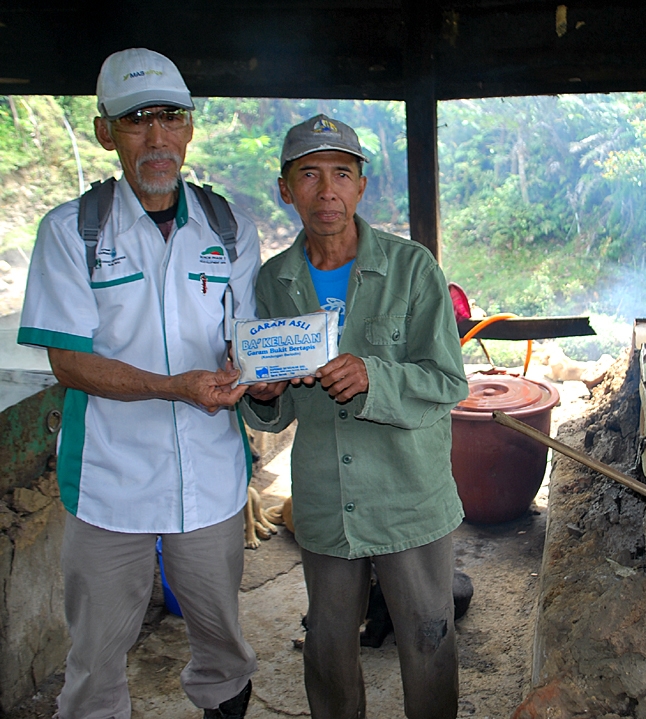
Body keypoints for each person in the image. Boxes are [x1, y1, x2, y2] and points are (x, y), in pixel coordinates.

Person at [17, 48, 260, 719]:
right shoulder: (73, 231)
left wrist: (262, 374)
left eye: (171, 118)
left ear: (189, 127)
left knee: (224, 643)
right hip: (108, 481)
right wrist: (177, 387)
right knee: (95, 659)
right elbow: (68, 363)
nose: (157, 137)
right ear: (105, 132)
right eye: (135, 121)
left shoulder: (228, 225)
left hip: (209, 476)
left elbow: (244, 338)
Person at [241, 114, 468, 719]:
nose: (327, 190)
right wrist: (262, 396)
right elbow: (275, 405)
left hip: (408, 494)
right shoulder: (275, 281)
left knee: (427, 637)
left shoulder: (413, 268)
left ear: (361, 186)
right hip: (325, 496)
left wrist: (375, 375)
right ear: (285, 190)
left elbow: (448, 383)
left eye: (341, 174)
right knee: (329, 645)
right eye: (309, 175)